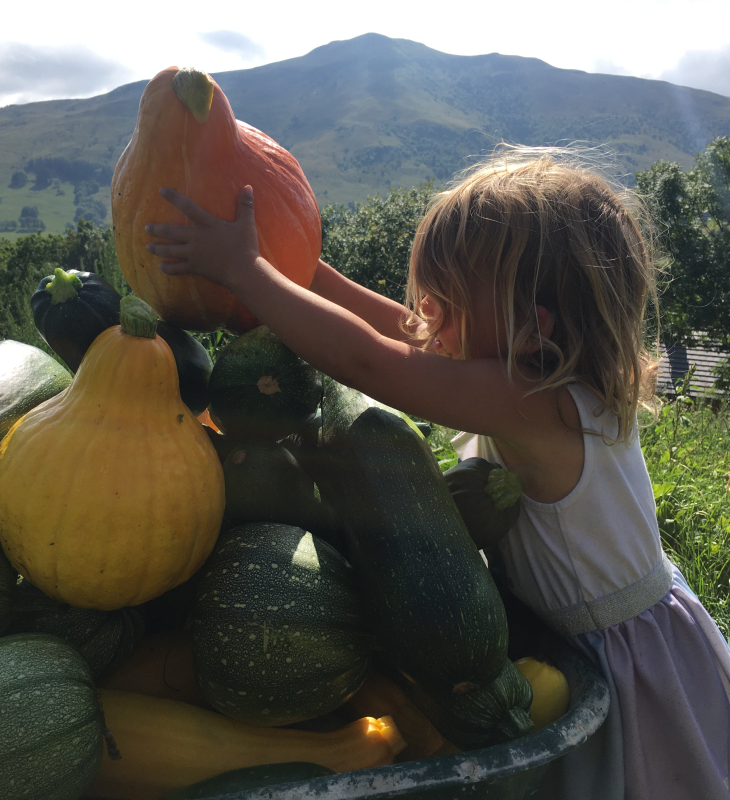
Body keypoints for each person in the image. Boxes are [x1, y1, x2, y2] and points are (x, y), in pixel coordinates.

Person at [145, 148, 730, 799]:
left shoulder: (535, 404)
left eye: (446, 302)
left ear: (533, 331)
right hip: (600, 639)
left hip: (625, 666)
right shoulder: (542, 373)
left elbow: (376, 364)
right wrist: (298, 268)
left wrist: (247, 273)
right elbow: (410, 338)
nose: (427, 315)